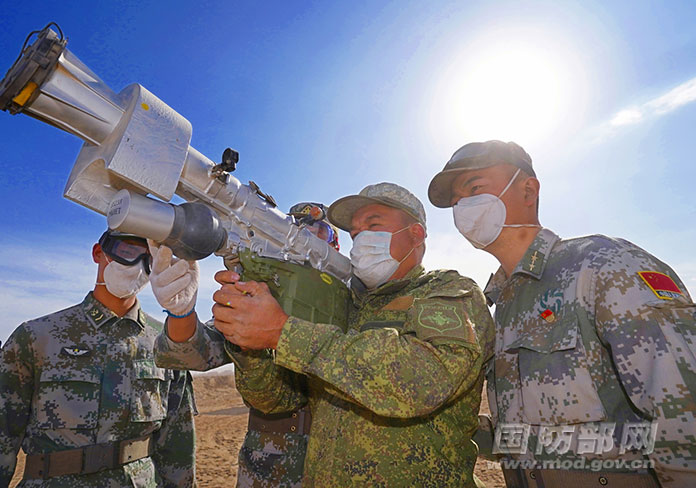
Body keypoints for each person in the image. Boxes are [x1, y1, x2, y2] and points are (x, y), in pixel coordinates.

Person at [428, 140, 696, 487]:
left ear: (528, 190)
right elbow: (531, 436)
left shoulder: (602, 265)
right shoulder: (499, 303)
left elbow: (684, 417)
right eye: (455, 201)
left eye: (475, 188)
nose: (463, 206)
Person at [210, 183, 495, 486]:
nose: (361, 241)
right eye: (355, 234)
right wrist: (249, 341)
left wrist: (283, 332)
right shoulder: (344, 306)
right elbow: (276, 400)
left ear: (416, 234)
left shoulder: (449, 290)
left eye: (373, 225)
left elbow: (424, 380)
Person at [0, 230, 196, 487]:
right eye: (128, 252)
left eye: (149, 260)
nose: (138, 267)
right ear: (99, 253)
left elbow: (178, 444)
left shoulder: (165, 343)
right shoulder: (37, 337)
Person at [151, 202, 341, 487]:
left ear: (335, 246)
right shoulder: (261, 298)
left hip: (338, 465)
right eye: (300, 232)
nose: (309, 241)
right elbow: (195, 354)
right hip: (268, 469)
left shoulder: (355, 301)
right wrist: (181, 312)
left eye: (320, 233)